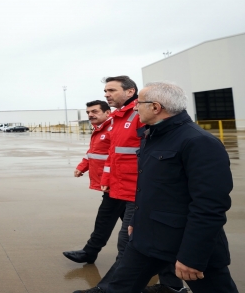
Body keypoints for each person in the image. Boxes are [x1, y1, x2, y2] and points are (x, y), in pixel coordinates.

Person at [104, 82, 238, 293]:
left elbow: (209, 206)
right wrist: (136, 222)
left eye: (139, 103)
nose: (136, 108)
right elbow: (149, 188)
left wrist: (192, 257)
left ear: (156, 107)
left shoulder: (199, 142)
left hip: (187, 243)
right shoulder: (152, 136)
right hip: (146, 238)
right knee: (118, 288)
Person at [75, 76, 184, 293]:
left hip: (139, 190)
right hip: (123, 188)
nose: (107, 94)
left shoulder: (139, 115)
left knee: (128, 243)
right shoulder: (118, 117)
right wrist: (106, 181)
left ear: (129, 91)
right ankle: (171, 286)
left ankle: (108, 288)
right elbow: (114, 156)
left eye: (112, 90)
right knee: (149, 240)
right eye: (105, 90)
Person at [63, 100, 125, 264]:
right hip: (109, 185)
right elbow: (93, 153)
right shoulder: (100, 129)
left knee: (105, 219)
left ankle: (90, 252)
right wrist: (82, 167)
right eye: (88, 112)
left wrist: (107, 179)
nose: (90, 115)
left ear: (107, 112)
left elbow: (115, 158)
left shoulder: (113, 129)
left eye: (95, 111)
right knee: (130, 222)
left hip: (116, 184)